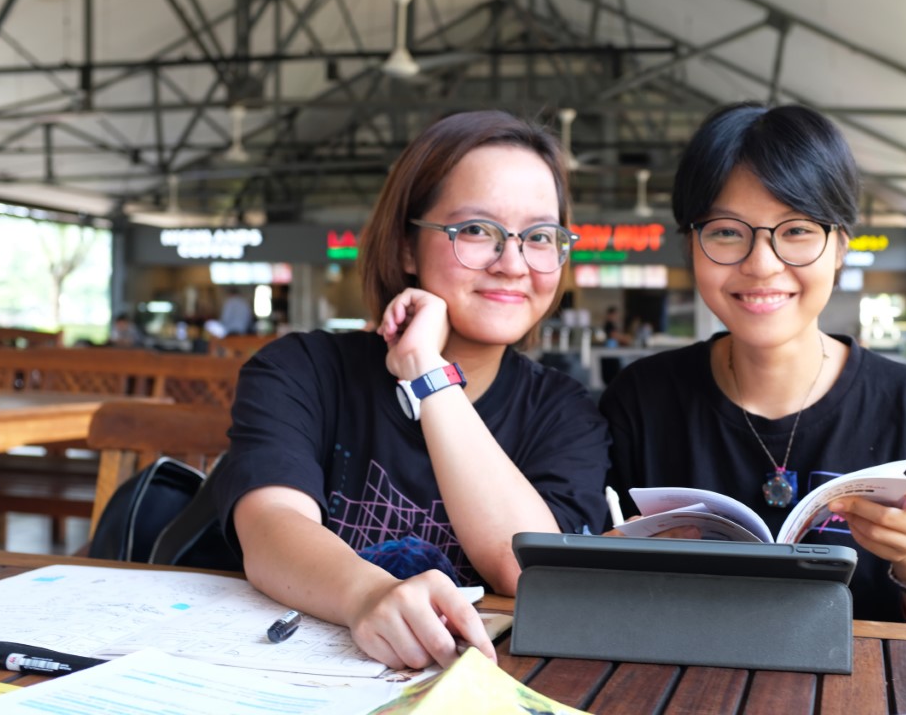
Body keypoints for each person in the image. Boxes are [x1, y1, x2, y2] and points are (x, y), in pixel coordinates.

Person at [599, 103, 906, 629]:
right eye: (727, 232)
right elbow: (590, 592)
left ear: (841, 246)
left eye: (797, 230)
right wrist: (615, 557)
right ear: (691, 243)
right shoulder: (641, 399)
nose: (761, 264)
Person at [210, 111, 611, 670]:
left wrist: (427, 372)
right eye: (476, 230)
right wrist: (366, 595)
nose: (513, 263)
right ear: (404, 247)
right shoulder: (302, 371)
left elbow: (528, 570)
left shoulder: (566, 414)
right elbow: (271, 527)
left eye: (540, 237)